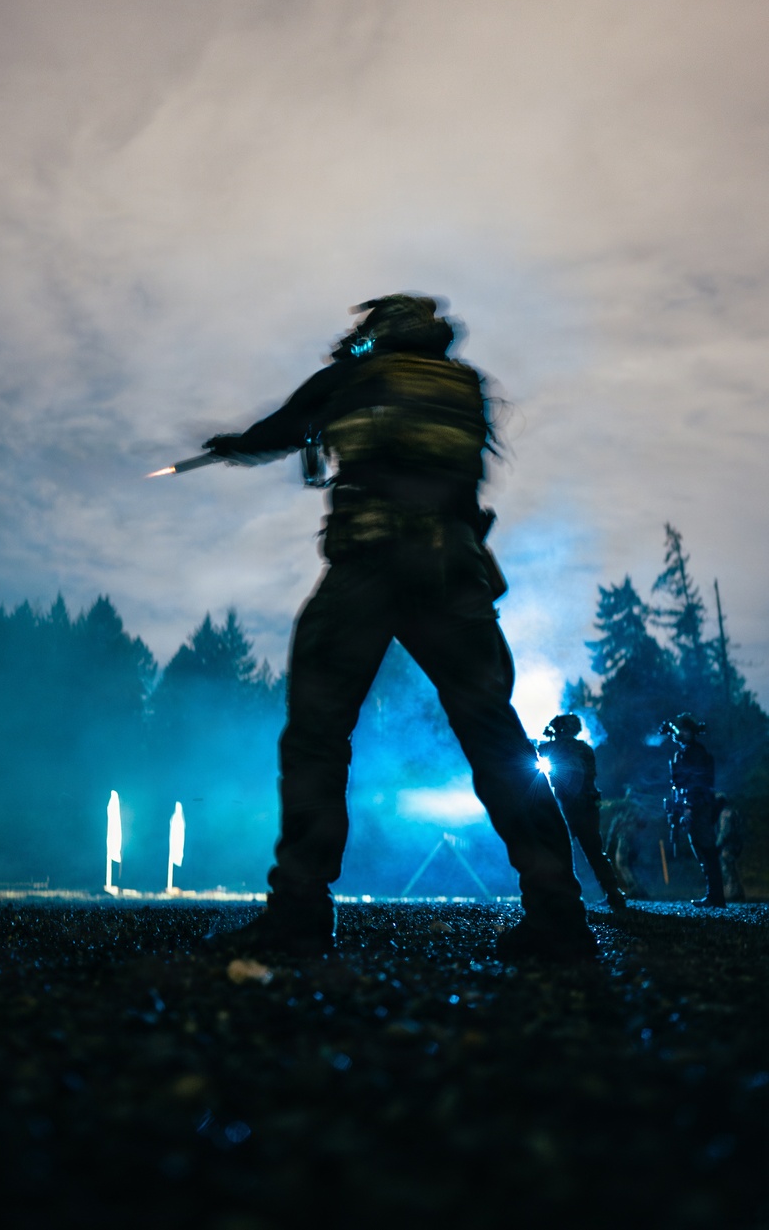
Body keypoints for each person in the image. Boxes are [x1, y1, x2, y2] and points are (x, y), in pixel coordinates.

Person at [201, 294, 594, 961]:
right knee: (498, 744)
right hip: (455, 575)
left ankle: (299, 912)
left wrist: (234, 445)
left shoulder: (355, 377)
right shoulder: (464, 386)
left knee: (318, 737)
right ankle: (559, 913)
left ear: (379, 331)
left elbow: (285, 427)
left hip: (369, 568)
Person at [536, 714, 626, 911]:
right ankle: (614, 895)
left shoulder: (557, 746)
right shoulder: (585, 748)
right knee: (595, 852)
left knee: (561, 852)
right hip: (589, 806)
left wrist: (547, 738)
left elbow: (535, 749)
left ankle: (566, 898)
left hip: (569, 807)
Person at [665, 713, 725, 908]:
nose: (682, 734)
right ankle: (713, 895)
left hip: (699, 806)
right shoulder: (684, 752)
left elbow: (697, 782)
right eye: (680, 730)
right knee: (701, 849)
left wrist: (689, 807)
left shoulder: (696, 753)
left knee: (706, 849)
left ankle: (716, 896)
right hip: (692, 806)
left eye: (686, 730)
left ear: (692, 733)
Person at [604, 787, 650, 900]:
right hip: (637, 839)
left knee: (622, 863)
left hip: (625, 836)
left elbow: (615, 824)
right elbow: (644, 823)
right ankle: (640, 890)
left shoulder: (625, 806)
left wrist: (608, 845)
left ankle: (634, 888)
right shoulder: (640, 808)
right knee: (631, 864)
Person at [715, 795, 745, 903]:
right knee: (732, 869)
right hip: (735, 845)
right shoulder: (734, 812)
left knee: (728, 870)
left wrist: (717, 845)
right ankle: (736, 892)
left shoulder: (725, 814)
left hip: (728, 847)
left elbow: (725, 832)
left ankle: (733, 893)